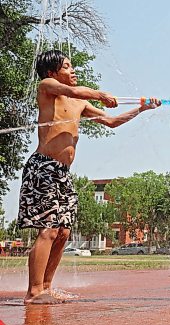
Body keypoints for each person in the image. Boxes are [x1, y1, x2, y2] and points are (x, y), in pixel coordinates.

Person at [17, 50, 161, 304]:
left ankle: (47, 288)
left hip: (63, 173)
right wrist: (101, 94)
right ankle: (34, 291)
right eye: (68, 67)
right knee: (48, 230)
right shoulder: (47, 86)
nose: (73, 71)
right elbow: (74, 91)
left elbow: (112, 122)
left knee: (63, 232)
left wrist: (141, 109)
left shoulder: (80, 104)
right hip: (43, 168)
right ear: (53, 72)